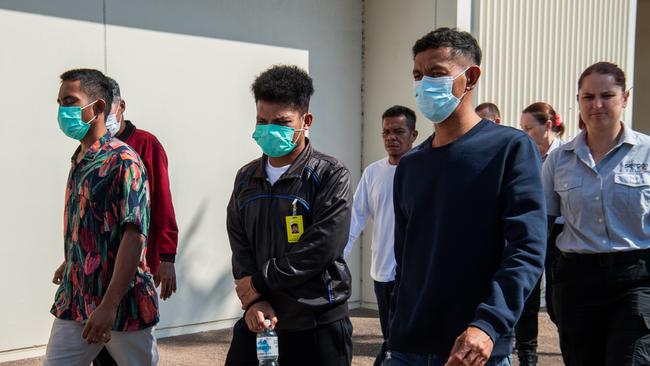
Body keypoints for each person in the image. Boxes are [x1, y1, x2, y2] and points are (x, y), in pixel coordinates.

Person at [386, 28, 547, 366]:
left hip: (474, 348)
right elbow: (406, 258)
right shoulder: (411, 165)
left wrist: (489, 324)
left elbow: (527, 250)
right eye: (418, 75)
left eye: (436, 74)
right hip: (407, 346)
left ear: (470, 77)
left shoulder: (509, 149)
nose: (423, 84)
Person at [225, 65, 353, 366]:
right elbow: (239, 240)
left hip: (317, 324)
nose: (270, 130)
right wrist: (256, 300)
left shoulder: (329, 174)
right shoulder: (246, 177)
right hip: (261, 318)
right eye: (262, 121)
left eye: (281, 123)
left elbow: (321, 248)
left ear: (306, 121)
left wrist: (258, 282)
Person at [45, 69, 158, 365]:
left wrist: (109, 306)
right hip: (76, 300)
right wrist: (73, 259)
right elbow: (93, 224)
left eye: (70, 102)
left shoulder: (124, 161)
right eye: (59, 102)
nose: (62, 110)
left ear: (97, 108)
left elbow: (134, 236)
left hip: (122, 307)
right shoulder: (80, 158)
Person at [542, 61, 650, 365]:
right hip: (578, 281)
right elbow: (542, 224)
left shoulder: (647, 153)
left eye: (607, 95)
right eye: (588, 97)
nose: (597, 105)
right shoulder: (559, 160)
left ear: (625, 98)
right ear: (578, 101)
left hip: (636, 278)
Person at [92, 78, 180, 366]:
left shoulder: (145, 144)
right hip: (98, 266)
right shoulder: (94, 149)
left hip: (137, 266)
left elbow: (162, 201)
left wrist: (166, 257)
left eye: (109, 110)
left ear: (121, 107)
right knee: (100, 347)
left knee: (133, 340)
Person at [343, 105, 418, 366]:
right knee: (390, 338)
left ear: (414, 135)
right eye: (386, 132)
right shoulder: (373, 172)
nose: (391, 137)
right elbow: (355, 218)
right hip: (383, 273)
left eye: (398, 131)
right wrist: (336, 257)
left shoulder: (424, 171)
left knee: (400, 343)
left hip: (414, 275)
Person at [516, 102, 566, 365]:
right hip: (534, 231)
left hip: (560, 234)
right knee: (527, 297)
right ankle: (527, 355)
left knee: (557, 302)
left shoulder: (565, 156)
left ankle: (572, 343)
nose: (524, 134)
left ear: (548, 126)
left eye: (528, 128)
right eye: (521, 128)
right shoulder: (527, 156)